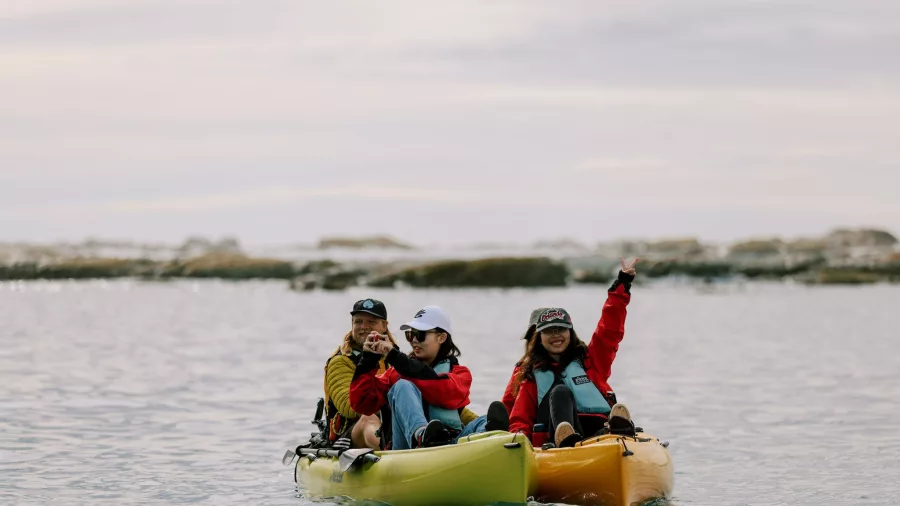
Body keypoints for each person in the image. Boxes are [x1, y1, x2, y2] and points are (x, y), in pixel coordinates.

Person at [508, 259, 639, 448]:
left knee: (607, 425)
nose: (556, 336)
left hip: (596, 435)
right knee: (560, 392)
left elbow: (609, 330)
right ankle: (568, 439)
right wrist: (519, 442)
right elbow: (520, 418)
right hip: (555, 442)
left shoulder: (591, 361)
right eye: (549, 331)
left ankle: (618, 431)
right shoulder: (530, 375)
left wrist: (622, 284)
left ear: (570, 332)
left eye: (561, 329)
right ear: (539, 337)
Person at [350, 305, 509, 449]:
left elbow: (441, 391)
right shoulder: (395, 374)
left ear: (441, 337)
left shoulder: (460, 373)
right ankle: (422, 435)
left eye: (420, 334)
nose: (413, 341)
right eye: (410, 335)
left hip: (449, 442)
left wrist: (396, 357)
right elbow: (362, 403)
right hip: (407, 447)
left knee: (484, 421)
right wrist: (368, 359)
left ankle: (490, 437)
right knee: (402, 385)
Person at [322, 298, 396, 449]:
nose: (364, 327)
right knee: (368, 417)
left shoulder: (395, 358)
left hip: (392, 423)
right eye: (358, 322)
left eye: (371, 322)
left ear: (384, 326)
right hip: (351, 432)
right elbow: (350, 408)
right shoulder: (340, 361)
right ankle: (389, 451)